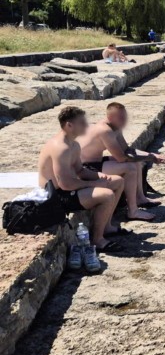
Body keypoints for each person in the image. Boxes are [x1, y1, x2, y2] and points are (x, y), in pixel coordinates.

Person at [37, 106, 125, 253]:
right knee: (107, 195)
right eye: (82, 123)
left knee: (117, 181)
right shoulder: (61, 148)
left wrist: (99, 176)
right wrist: (95, 184)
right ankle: (98, 240)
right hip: (55, 196)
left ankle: (107, 226)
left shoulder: (74, 144)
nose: (86, 126)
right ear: (69, 125)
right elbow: (64, 184)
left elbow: (79, 170)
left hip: (68, 188)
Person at [78, 102, 165, 222]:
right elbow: (122, 158)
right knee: (130, 168)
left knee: (137, 163)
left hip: (96, 162)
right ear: (110, 117)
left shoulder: (115, 127)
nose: (124, 120)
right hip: (85, 168)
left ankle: (140, 198)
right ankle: (133, 211)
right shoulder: (105, 130)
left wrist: (150, 155)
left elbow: (127, 150)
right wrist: (149, 158)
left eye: (125, 117)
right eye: (121, 118)